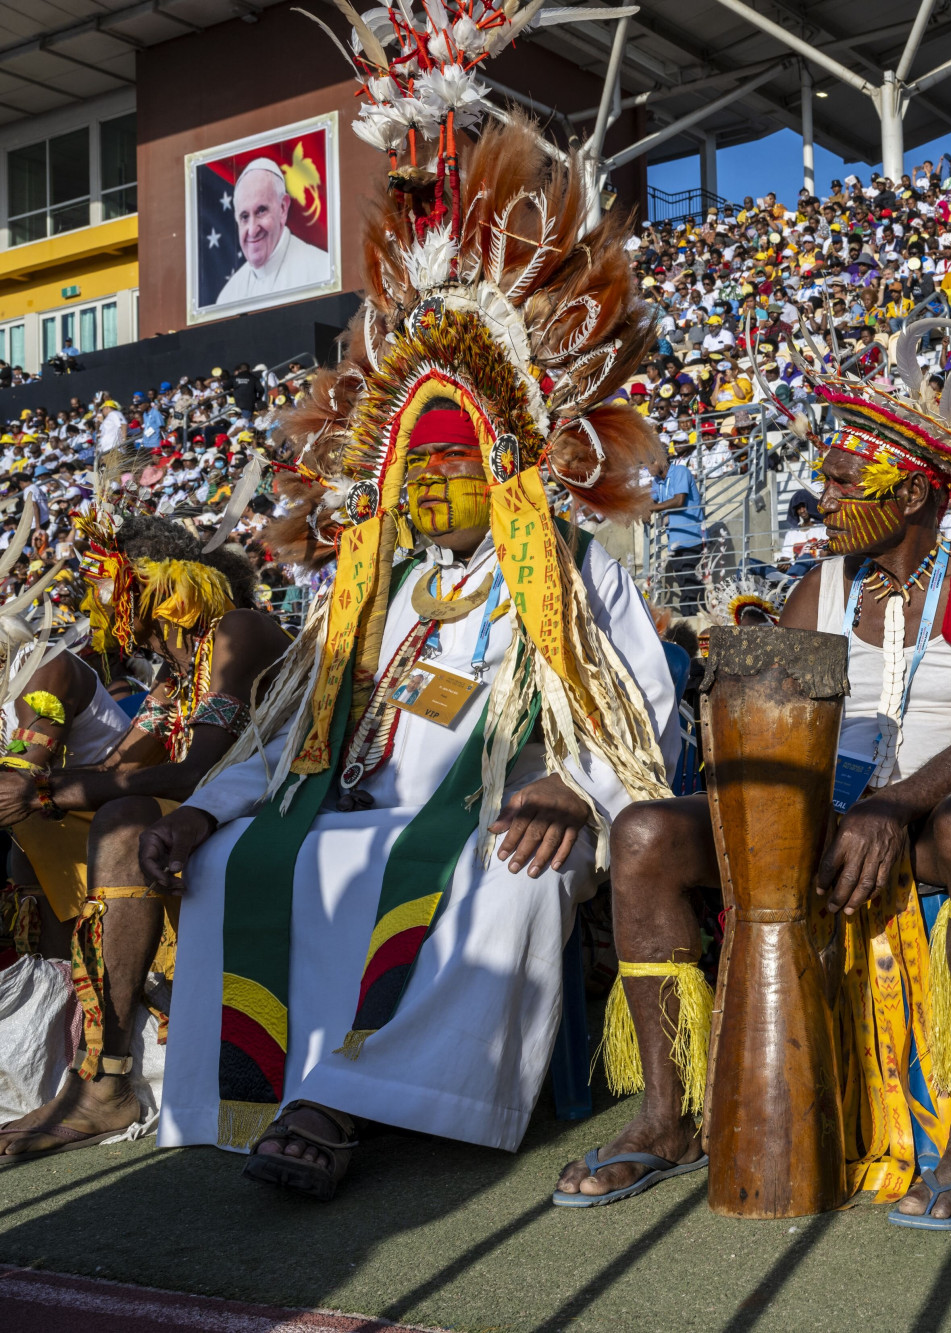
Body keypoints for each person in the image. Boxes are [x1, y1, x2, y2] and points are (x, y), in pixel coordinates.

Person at [141, 117, 680, 1201]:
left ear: (503, 466)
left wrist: (573, 788)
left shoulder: (572, 571)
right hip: (353, 811)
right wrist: (207, 805)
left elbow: (643, 712)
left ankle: (350, 1099)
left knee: (505, 874)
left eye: (454, 464)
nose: (431, 486)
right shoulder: (371, 591)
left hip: (509, 822)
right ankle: (257, 1087)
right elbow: (286, 732)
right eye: (414, 468)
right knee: (226, 857)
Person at [557, 377, 951, 1229]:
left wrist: (894, 806)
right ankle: (668, 1113)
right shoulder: (817, 589)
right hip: (818, 820)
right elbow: (765, 731)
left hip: (931, 818)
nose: (819, 497)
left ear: (908, 493)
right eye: (822, 480)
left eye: (839, 483)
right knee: (644, 833)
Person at [0, 517, 284, 1161]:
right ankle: (109, 1054)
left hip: (278, 811)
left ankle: (108, 1081)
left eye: (117, 591)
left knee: (123, 818)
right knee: (87, 815)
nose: (107, 612)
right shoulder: (171, 678)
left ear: (163, 587)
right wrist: (33, 789)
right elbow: (116, 770)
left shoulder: (237, 631)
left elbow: (195, 774)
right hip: (211, 817)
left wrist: (39, 788)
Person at [213, 159, 333, 306]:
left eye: (261, 211)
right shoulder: (228, 296)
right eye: (244, 217)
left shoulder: (322, 271)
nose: (252, 230)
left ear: (283, 208)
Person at [650, 451, 705, 616]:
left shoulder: (681, 471)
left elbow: (678, 500)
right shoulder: (657, 481)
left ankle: (696, 624)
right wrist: (645, 508)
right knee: (684, 585)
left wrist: (650, 509)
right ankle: (690, 623)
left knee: (691, 585)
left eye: (650, 462)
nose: (647, 468)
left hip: (692, 539)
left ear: (662, 459)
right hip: (674, 541)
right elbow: (650, 500)